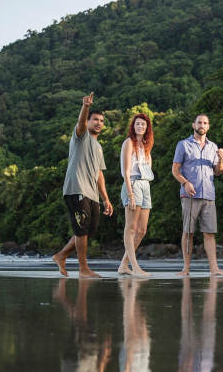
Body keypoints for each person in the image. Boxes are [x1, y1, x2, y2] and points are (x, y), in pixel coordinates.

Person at [53, 93, 114, 278]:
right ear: (88, 121)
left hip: (92, 193)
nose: (98, 123)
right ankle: (83, 269)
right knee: (81, 229)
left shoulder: (99, 147)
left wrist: (106, 199)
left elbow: (99, 174)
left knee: (89, 229)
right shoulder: (81, 136)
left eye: (101, 120)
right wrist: (85, 106)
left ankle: (61, 255)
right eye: (95, 119)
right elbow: (80, 123)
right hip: (76, 188)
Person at [171, 114, 223, 276]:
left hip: (209, 195)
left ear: (208, 126)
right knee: (188, 232)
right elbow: (175, 170)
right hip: (190, 195)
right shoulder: (183, 145)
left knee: (210, 233)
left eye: (205, 123)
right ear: (193, 125)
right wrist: (185, 183)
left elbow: (218, 172)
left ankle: (214, 269)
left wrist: (221, 159)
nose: (202, 125)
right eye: (199, 122)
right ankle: (186, 269)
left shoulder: (213, 147)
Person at [117, 113, 155, 277]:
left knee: (142, 230)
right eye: (138, 124)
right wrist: (130, 194)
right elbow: (125, 171)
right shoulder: (128, 143)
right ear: (133, 126)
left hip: (145, 184)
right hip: (132, 183)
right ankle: (135, 266)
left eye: (143, 125)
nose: (140, 127)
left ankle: (124, 265)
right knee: (131, 227)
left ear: (147, 128)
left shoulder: (146, 145)